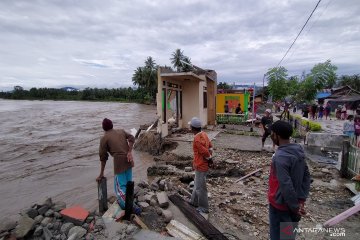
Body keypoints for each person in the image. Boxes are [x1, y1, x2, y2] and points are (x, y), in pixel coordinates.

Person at [268, 121, 311, 240]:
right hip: (295, 202)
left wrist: (295, 207)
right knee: (288, 236)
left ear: (277, 135)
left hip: (280, 205)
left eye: (272, 133)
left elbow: (285, 184)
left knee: (278, 236)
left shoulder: (280, 157)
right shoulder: (298, 151)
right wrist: (301, 201)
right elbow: (306, 177)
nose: (271, 136)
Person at [97, 118, 140, 214]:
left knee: (120, 188)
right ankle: (131, 203)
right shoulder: (121, 131)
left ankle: (130, 207)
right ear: (112, 125)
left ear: (103, 128)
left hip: (119, 163)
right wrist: (129, 152)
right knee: (128, 184)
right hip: (129, 160)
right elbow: (132, 138)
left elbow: (103, 157)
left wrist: (101, 174)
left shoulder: (104, 138)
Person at [189, 117, 213, 214]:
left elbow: (204, 151)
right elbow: (210, 147)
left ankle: (204, 207)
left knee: (200, 187)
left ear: (193, 128)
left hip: (200, 165)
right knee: (197, 183)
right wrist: (210, 157)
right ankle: (193, 202)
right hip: (203, 165)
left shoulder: (197, 139)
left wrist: (209, 158)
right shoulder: (204, 134)